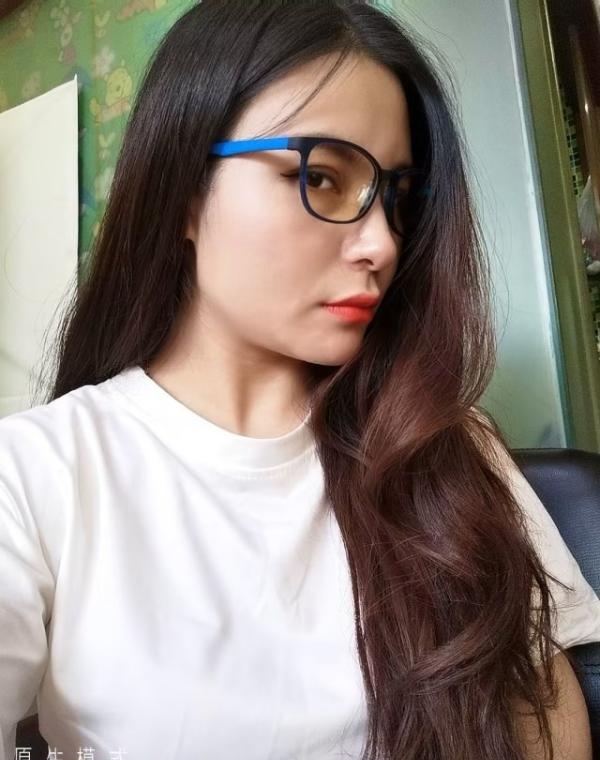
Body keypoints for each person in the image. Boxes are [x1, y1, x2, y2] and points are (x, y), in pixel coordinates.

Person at [1, 1, 600, 758]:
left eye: (396, 199)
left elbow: (541, 707)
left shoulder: (445, 444)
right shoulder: (35, 475)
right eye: (321, 176)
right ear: (183, 190)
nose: (382, 244)